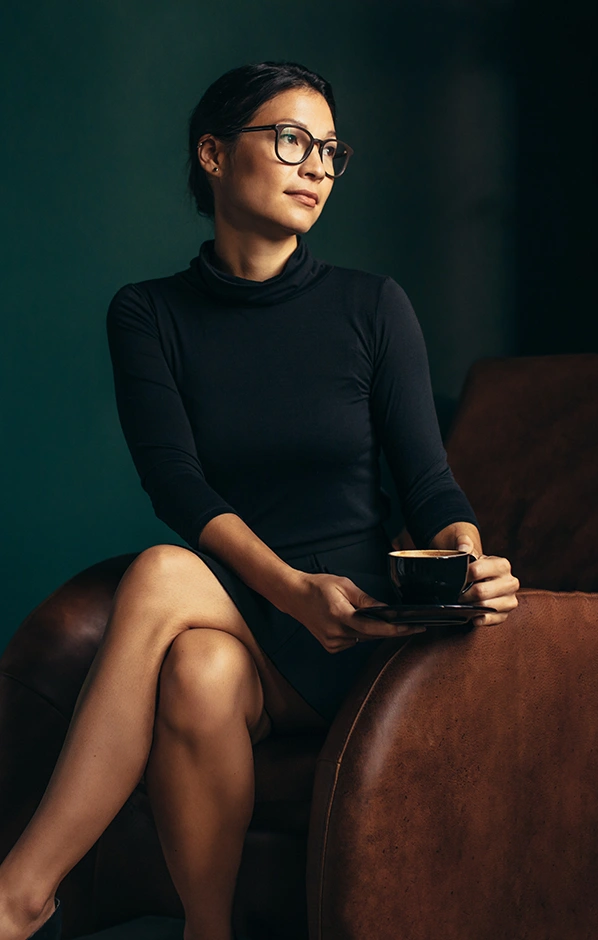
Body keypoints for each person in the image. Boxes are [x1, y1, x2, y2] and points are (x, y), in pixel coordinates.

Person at [0, 61, 520, 940]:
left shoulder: (371, 306)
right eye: (290, 140)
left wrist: (463, 550)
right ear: (212, 153)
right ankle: (212, 933)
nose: (317, 165)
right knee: (199, 668)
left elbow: (428, 482)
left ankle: (20, 893)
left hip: (350, 622)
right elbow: (177, 483)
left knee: (167, 579)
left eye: (329, 149)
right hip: (257, 606)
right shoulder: (147, 314)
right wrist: (286, 591)